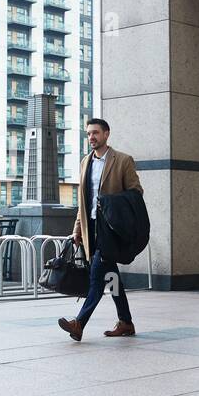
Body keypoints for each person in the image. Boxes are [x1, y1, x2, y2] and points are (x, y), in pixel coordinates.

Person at [58, 118, 141, 341]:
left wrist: (110, 204)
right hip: (91, 228)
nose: (91, 137)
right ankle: (126, 322)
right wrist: (77, 230)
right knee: (111, 276)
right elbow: (84, 202)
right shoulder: (86, 162)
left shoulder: (123, 161)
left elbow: (136, 193)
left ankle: (79, 323)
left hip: (110, 229)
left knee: (96, 278)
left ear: (106, 134)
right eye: (88, 134)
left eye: (95, 133)